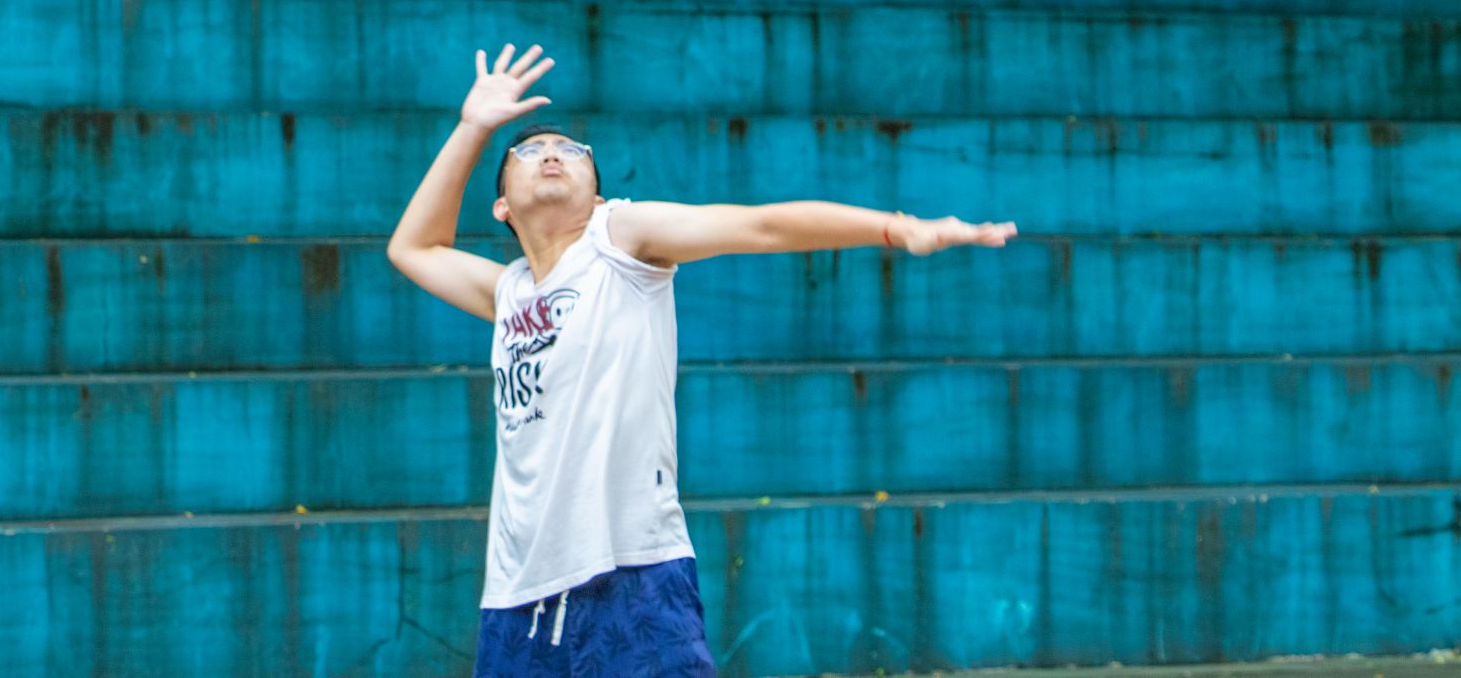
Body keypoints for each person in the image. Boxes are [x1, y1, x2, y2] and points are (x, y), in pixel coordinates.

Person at [386, 44, 1018, 676]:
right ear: (501, 205)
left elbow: (761, 226)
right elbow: (413, 248)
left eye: (573, 150)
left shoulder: (617, 240)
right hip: (516, 594)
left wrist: (896, 228)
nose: (552, 154)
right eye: (528, 152)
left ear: (599, 198)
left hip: (630, 571)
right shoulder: (508, 291)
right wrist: (473, 127)